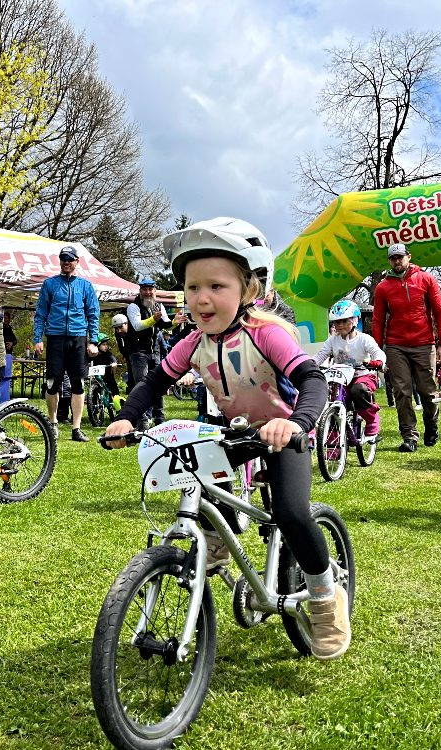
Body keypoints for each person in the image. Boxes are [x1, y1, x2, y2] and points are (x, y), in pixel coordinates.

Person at [104, 217, 347, 661]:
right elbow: (154, 383)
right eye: (192, 287)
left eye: (216, 286)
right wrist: (125, 419)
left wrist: (297, 423)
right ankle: (219, 534)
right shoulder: (194, 341)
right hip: (235, 432)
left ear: (249, 291)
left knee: (291, 514)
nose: (201, 298)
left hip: (282, 433)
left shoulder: (266, 333)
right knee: (195, 476)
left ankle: (326, 598)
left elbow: (312, 378)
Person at [371, 242, 441, 453]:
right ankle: (409, 436)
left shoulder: (426, 279)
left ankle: (431, 424)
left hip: (424, 343)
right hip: (396, 345)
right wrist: (377, 351)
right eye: (393, 258)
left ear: (408, 257)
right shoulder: (383, 287)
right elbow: (378, 320)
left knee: (428, 391)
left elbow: (440, 310)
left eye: (400, 257)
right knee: (402, 392)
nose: (397, 261)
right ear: (389, 261)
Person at [32, 246, 100, 442]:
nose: (66, 262)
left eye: (70, 259)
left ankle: (76, 428)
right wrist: (37, 339)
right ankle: (52, 423)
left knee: (78, 383)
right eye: (63, 259)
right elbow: (41, 314)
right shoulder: (49, 284)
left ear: (77, 261)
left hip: (78, 339)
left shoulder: (85, 286)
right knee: (52, 383)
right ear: (60, 261)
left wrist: (93, 340)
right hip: (55, 338)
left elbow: (93, 314)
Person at [314, 300, 386, 438]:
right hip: (341, 378)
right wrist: (311, 363)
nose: (339, 325)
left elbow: (378, 352)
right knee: (334, 401)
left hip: (363, 376)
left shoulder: (364, 339)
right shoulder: (332, 341)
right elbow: (321, 355)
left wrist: (378, 361)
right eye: (336, 322)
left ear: (354, 320)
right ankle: (332, 440)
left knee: (358, 391)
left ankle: (371, 418)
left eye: (344, 321)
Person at [125, 278, 188, 430]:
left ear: (155, 290)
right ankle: (142, 421)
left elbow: (165, 324)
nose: (148, 292)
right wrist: (153, 319)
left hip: (155, 351)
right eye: (144, 289)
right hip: (138, 351)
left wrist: (174, 322)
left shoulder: (159, 305)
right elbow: (137, 326)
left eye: (150, 289)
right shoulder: (133, 306)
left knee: (159, 384)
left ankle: (159, 419)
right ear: (140, 291)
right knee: (142, 385)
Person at [91, 333, 121, 398]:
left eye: (107, 344)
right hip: (96, 376)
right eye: (103, 344)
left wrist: (114, 363)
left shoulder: (107, 353)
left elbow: (112, 358)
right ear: (98, 345)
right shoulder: (93, 354)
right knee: (94, 391)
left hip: (108, 375)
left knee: (114, 389)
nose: (106, 346)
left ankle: (120, 405)